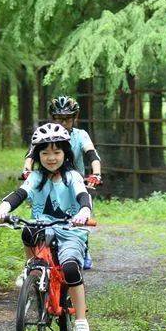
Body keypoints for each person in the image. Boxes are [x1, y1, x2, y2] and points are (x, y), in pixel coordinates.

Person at [0, 123, 95, 331]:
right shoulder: (36, 177)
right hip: (43, 226)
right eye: (45, 152)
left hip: (70, 229)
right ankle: (32, 268)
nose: (51, 157)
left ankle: (81, 322)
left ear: (65, 153)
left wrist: (84, 211)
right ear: (37, 155)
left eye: (57, 152)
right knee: (28, 230)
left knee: (70, 268)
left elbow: (82, 196)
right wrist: (3, 208)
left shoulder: (72, 176)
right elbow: (20, 193)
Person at [22, 95, 102, 269]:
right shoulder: (47, 133)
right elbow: (30, 155)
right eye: (59, 119)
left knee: (81, 211)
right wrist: (27, 171)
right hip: (48, 179)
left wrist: (96, 173)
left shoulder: (81, 135)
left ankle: (82, 246)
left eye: (67, 119)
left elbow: (91, 154)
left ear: (75, 118)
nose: (63, 123)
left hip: (75, 180)